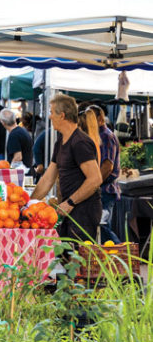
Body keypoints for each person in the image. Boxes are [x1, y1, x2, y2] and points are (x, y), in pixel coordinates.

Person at [31, 94, 103, 242]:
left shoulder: (80, 143)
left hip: (84, 211)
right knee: (64, 258)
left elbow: (95, 179)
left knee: (77, 260)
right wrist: (28, 204)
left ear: (62, 115)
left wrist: (70, 202)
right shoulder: (60, 142)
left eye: (51, 112)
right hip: (68, 210)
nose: (50, 117)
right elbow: (47, 179)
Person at [92, 104, 121, 242]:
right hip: (102, 189)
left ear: (100, 118)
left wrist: (94, 185)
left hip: (105, 190)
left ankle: (122, 253)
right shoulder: (98, 135)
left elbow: (107, 166)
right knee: (101, 228)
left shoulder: (106, 136)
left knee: (103, 227)